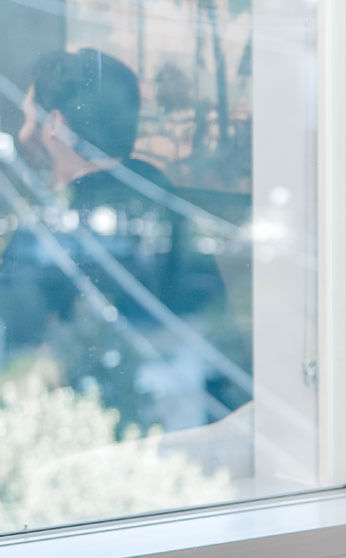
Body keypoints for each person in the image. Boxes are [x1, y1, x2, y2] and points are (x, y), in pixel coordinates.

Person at [1, 48, 243, 431]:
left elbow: (16, 349)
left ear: (56, 125)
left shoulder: (50, 233)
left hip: (104, 427)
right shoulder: (165, 199)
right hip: (197, 416)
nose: (23, 133)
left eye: (31, 119)